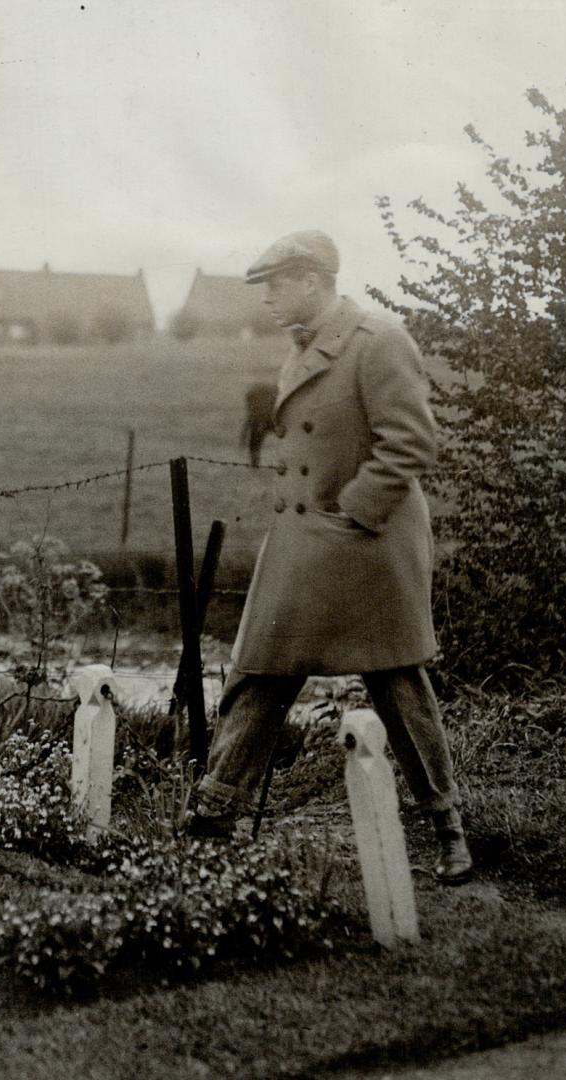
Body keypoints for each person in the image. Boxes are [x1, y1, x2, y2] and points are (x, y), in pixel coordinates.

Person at [190, 229, 473, 885]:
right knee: (261, 668)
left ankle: (447, 828)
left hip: (365, 544)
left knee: (398, 683)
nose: (267, 299)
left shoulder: (376, 341)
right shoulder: (303, 349)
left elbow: (411, 440)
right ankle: (211, 814)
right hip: (306, 540)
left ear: (312, 281)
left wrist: (354, 509)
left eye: (276, 284)